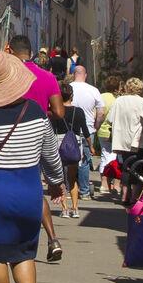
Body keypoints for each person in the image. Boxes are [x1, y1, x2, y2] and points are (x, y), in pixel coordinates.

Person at [0, 51, 66, 283]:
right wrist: (55, 183)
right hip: (28, 190)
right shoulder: (35, 112)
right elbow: (51, 153)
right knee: (24, 252)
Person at [5, 35, 61, 256]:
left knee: (6, 187)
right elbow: (59, 112)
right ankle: (53, 238)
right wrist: (37, 113)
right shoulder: (47, 77)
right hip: (37, 137)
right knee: (35, 190)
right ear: (32, 52)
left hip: (7, 137)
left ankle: (12, 237)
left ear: (9, 51)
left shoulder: (6, 76)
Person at [108, 76, 143, 203]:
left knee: (126, 168)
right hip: (137, 141)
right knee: (138, 169)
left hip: (121, 141)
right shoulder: (142, 102)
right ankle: (134, 197)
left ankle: (125, 195)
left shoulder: (119, 100)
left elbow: (110, 119)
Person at [50, 84, 89, 219]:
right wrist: (91, 146)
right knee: (72, 178)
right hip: (75, 144)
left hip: (58, 144)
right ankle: (76, 208)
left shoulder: (55, 111)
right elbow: (85, 130)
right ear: (72, 95)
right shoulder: (78, 111)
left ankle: (65, 209)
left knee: (60, 178)